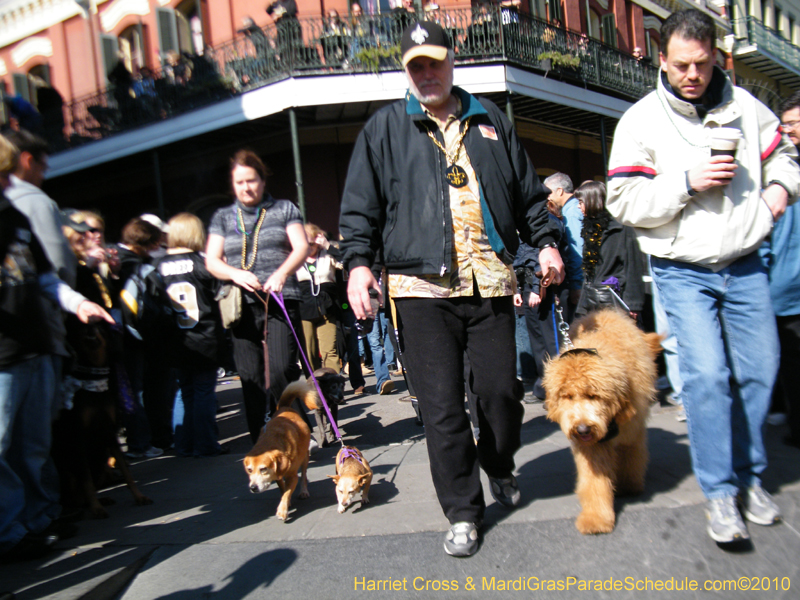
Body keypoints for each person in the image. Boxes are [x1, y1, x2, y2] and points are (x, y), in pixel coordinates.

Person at [339, 21, 563, 557]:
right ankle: (463, 511)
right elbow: (359, 209)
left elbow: (531, 198)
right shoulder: (384, 129)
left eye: (434, 62)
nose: (427, 73)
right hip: (420, 292)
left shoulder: (491, 122)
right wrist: (357, 265)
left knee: (501, 395)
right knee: (441, 409)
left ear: (451, 60)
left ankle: (500, 462)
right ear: (407, 70)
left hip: (489, 284)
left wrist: (548, 242)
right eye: (416, 65)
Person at [606, 9, 800, 544]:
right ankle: (720, 493)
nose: (692, 75)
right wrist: (686, 182)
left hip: (744, 262)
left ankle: (750, 476)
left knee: (761, 370)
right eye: (681, 65)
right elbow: (624, 200)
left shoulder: (747, 108)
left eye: (702, 63)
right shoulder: (641, 121)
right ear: (662, 59)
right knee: (708, 378)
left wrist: (779, 192)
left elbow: (785, 156)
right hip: (681, 269)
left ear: (716, 55)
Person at [0, 135, 114, 561]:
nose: (8, 182)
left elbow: (47, 278)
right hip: (4, 357)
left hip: (36, 347)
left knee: (32, 445)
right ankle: (10, 532)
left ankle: (38, 520)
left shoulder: (14, 216)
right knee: (2, 447)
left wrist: (80, 302)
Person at [206, 150, 308, 443]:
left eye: (251, 180)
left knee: (280, 370)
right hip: (241, 305)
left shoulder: (285, 209)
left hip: (280, 298)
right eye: (239, 182)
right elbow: (211, 261)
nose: (246, 187)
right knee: (250, 378)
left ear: (263, 181)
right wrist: (235, 273)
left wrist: (282, 272)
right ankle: (259, 441)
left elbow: (300, 247)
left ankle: (296, 429)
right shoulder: (223, 217)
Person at [154, 213, 227, 457]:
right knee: (204, 391)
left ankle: (183, 444)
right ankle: (206, 444)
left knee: (183, 392)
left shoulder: (157, 266)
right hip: (204, 336)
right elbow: (221, 294)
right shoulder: (203, 263)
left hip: (174, 340)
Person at [767, 92, 800, 448]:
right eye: (785, 125)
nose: (788, 131)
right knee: (788, 358)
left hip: (788, 282)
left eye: (793, 124)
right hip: (785, 286)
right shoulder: (778, 169)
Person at [4, 129, 76, 287]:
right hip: (36, 303)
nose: (43, 176)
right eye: (43, 168)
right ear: (27, 160)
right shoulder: (37, 202)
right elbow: (58, 263)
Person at [572, 180, 645, 319]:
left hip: (616, 298)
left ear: (592, 201)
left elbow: (633, 265)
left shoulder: (621, 228)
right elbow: (589, 272)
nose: (578, 206)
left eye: (581, 202)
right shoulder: (590, 230)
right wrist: (582, 307)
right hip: (592, 299)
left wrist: (634, 304)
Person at [296, 223, 341, 373]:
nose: (308, 248)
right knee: (309, 352)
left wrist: (328, 245)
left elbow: (346, 263)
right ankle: (314, 386)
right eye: (304, 243)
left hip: (326, 307)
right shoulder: (295, 258)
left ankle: (333, 387)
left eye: (311, 244)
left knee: (330, 350)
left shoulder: (327, 255)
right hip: (303, 309)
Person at [543, 172, 583, 312]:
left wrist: (576, 285)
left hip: (577, 283)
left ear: (559, 191)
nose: (547, 197)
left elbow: (576, 250)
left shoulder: (570, 213)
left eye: (548, 193)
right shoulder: (576, 207)